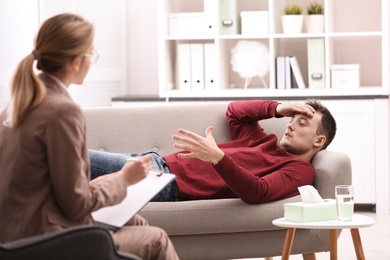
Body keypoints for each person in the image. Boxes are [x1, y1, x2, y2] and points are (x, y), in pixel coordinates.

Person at [0, 13, 178, 260]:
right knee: (156, 240)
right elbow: (76, 204)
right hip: (43, 238)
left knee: (135, 222)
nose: (91, 62)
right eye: (90, 54)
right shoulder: (62, 111)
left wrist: (117, 179)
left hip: (14, 233)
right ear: (75, 61)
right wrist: (124, 180)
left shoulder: (17, 104)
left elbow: (56, 188)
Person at [89, 99, 336, 204]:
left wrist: (218, 157)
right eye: (291, 119)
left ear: (319, 141)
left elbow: (258, 192)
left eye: (302, 123)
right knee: (67, 170)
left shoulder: (300, 171)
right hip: (152, 162)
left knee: (73, 158)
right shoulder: (262, 141)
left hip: (166, 183)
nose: (291, 124)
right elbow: (235, 113)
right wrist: (278, 108)